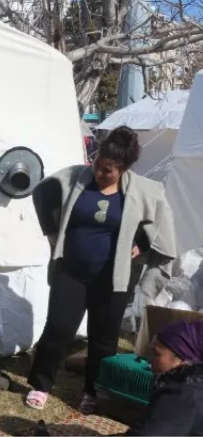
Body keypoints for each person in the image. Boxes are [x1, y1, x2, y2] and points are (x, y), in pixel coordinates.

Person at [27, 126, 176, 413]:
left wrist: (142, 244)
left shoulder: (141, 192)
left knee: (103, 338)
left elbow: (159, 227)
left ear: (123, 169)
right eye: (98, 165)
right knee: (58, 329)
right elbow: (43, 190)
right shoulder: (76, 180)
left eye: (108, 170)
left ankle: (92, 392)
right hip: (71, 271)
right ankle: (41, 384)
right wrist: (52, 232)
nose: (99, 172)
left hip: (112, 278)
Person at [121, 320, 203, 436]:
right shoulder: (195, 383)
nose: (149, 361)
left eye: (156, 354)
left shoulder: (181, 393)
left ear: (182, 358)